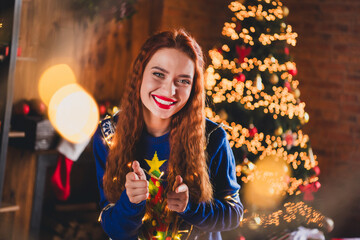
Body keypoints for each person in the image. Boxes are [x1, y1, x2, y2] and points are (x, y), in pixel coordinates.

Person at [93, 29, 243, 240]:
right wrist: (130, 203)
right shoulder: (109, 135)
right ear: (140, 74)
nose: (169, 90)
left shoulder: (212, 138)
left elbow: (233, 213)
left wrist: (191, 208)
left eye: (183, 81)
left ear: (194, 88)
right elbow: (113, 227)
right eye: (159, 74)